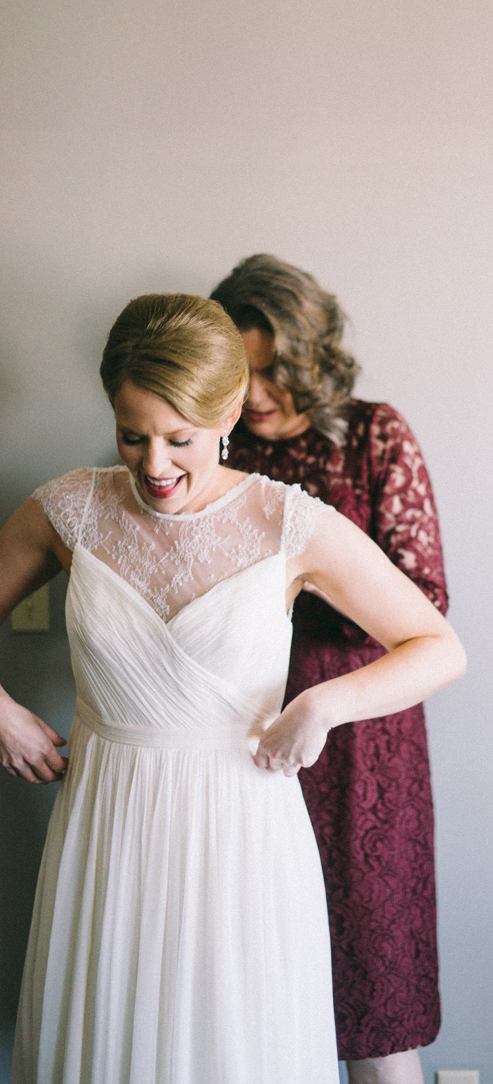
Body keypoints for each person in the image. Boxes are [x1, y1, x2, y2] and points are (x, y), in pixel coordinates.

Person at [0, 294, 466, 1084]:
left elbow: (438, 647)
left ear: (227, 419)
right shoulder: (70, 508)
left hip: (242, 834)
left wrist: (325, 704)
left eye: (180, 440)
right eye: (132, 435)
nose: (153, 465)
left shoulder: (290, 525)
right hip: (107, 829)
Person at [210, 255, 451, 1084]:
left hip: (359, 738)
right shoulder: (208, 450)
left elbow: (425, 602)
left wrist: (315, 584)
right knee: (244, 989)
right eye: (241, 375)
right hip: (234, 731)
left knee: (371, 992)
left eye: (275, 369)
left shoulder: (375, 434)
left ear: (313, 355)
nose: (261, 393)